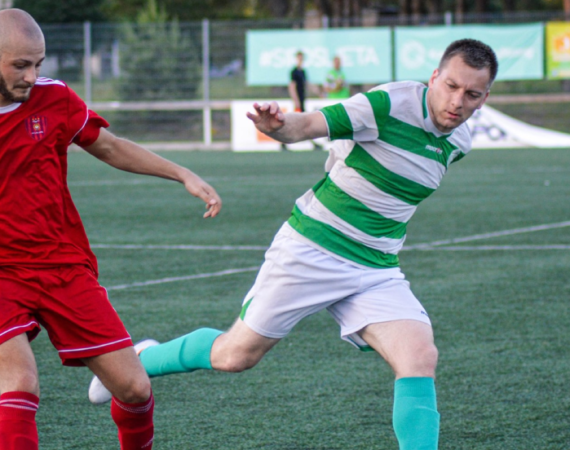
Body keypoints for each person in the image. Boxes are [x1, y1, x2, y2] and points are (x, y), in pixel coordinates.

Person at [89, 39, 498, 449]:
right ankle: (141, 359)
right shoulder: (388, 104)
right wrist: (277, 126)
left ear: (484, 97)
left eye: (472, 94)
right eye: (451, 86)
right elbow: (308, 125)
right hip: (313, 249)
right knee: (236, 356)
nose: (457, 102)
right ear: (434, 77)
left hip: (377, 266)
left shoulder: (458, 143)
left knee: (419, 357)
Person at [0, 8, 221, 450]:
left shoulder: (54, 98)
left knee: (135, 389)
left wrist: (181, 173)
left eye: (38, 64)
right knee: (19, 383)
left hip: (62, 266)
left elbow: (111, 146)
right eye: (20, 65)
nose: (31, 76)